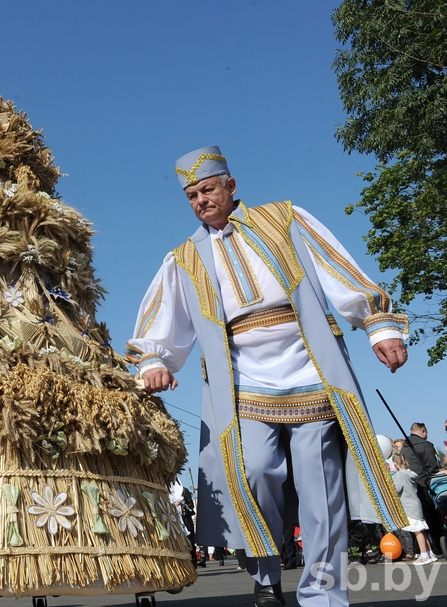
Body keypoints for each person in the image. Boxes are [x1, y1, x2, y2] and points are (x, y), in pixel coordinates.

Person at [127, 146, 409, 607]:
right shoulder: (184, 258)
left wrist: (378, 325)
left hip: (310, 371)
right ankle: (266, 575)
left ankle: (323, 593)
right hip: (242, 386)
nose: (201, 201)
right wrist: (155, 361)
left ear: (231, 186)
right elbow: (163, 322)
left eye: (208, 189)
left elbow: (337, 266)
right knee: (253, 472)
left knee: (321, 483)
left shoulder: (285, 219)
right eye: (191, 195)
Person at [400, 422, 445, 556]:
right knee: (433, 518)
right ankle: (438, 549)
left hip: (411, 487)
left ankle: (423, 550)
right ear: (423, 431)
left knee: (417, 520)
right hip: (426, 485)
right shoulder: (426, 446)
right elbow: (432, 468)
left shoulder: (404, 448)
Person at [391, 453, 437, 564]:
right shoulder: (410, 473)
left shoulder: (400, 475)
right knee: (421, 530)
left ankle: (424, 555)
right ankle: (430, 553)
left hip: (409, 505)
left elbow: (396, 490)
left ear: (396, 463)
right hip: (416, 503)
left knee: (417, 531)